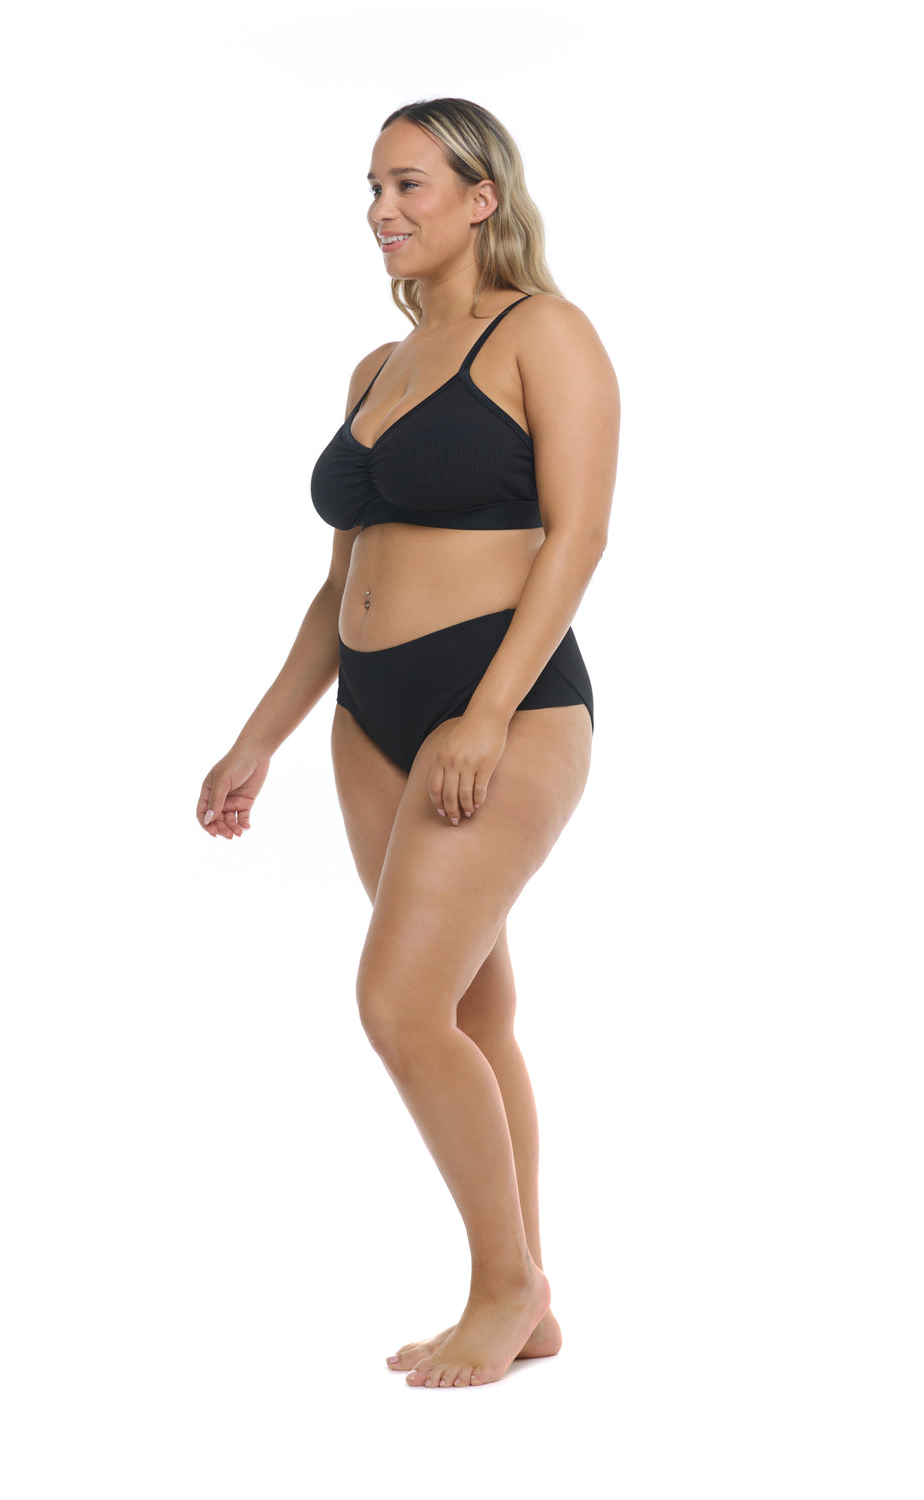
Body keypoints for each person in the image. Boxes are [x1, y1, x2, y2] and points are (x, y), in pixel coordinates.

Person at [196, 97, 619, 1389]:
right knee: (470, 1006)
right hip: (369, 715)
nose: (383, 209)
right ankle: (530, 1300)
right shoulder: (375, 371)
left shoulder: (543, 332)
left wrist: (485, 712)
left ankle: (502, 1286)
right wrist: (259, 737)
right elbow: (344, 583)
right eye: (374, 187)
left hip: (506, 701)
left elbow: (580, 536)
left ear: (483, 197)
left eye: (410, 184)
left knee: (398, 1004)